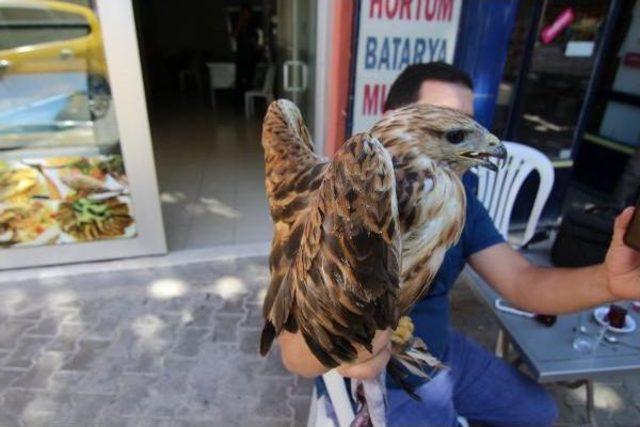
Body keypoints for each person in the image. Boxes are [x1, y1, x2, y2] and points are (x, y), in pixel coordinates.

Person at [276, 62, 640, 426]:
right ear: (394, 121)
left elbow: (522, 282)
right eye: (451, 132)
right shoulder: (339, 204)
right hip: (386, 379)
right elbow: (296, 357)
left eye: (469, 121)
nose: (484, 141)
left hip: (442, 351)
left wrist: (611, 282)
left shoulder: (458, 191)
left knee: (539, 412)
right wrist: (347, 344)